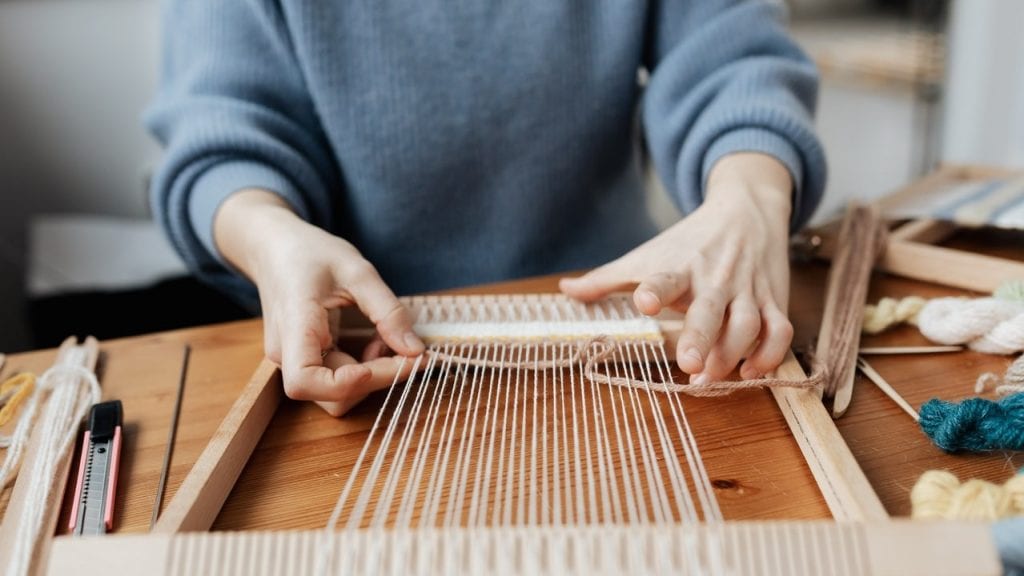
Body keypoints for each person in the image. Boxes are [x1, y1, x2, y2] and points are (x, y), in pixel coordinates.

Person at [147, 1, 826, 416]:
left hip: (634, 328)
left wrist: (750, 195)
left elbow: (730, 61)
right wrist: (272, 239)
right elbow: (223, 141)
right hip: (371, 360)